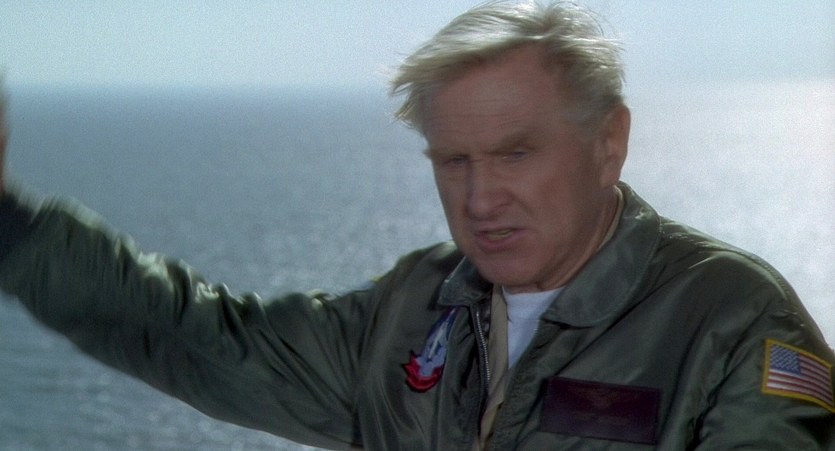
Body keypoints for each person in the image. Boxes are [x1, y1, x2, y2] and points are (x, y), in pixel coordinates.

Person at [0, 2, 833, 449]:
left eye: (513, 154)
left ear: (607, 142)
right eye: (452, 160)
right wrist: (9, 225)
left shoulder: (729, 319)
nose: (480, 198)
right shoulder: (415, 307)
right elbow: (199, 338)